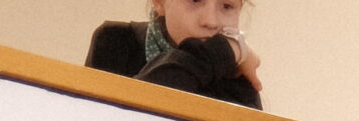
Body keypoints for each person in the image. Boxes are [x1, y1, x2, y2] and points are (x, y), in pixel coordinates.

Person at [86, 0, 262, 105]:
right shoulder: (117, 40)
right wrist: (226, 50)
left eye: (227, 6)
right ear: (159, 2)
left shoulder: (235, 70)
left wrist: (225, 53)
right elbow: (122, 117)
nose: (211, 21)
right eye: (195, 0)